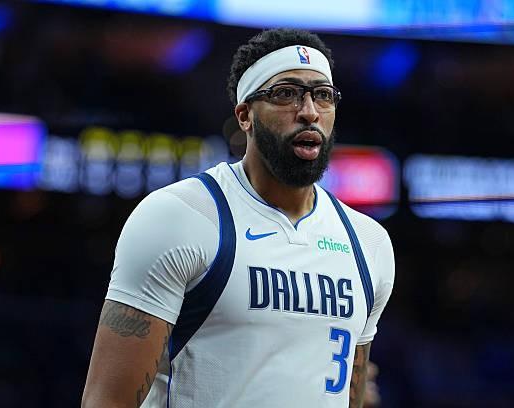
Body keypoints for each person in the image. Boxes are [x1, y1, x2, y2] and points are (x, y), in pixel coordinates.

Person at [82, 28, 395, 408]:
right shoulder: (179, 215)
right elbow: (107, 400)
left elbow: (351, 396)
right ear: (245, 116)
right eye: (286, 94)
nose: (309, 111)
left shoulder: (369, 242)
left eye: (323, 95)